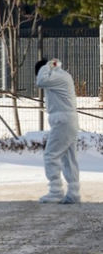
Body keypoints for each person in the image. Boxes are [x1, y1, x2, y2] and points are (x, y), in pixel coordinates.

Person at [35, 58, 80, 204]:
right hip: (68, 120)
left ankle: (55, 191)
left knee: (51, 155)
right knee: (68, 158)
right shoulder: (63, 76)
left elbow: (40, 81)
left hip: (63, 121)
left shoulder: (55, 76)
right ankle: (73, 192)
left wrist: (46, 66)